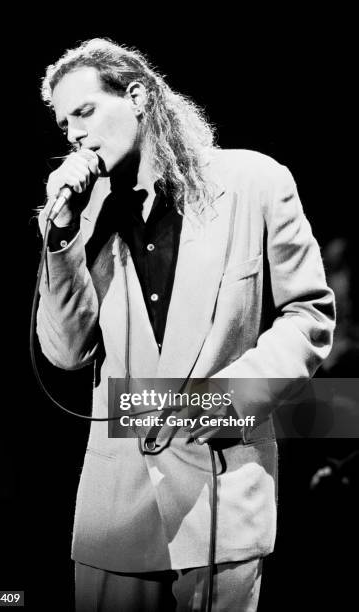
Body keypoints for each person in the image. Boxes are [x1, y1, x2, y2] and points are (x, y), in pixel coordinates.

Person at [36, 38, 336, 612]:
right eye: (63, 123)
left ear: (139, 95)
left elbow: (309, 317)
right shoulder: (88, 218)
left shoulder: (254, 182)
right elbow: (66, 352)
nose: (72, 134)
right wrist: (61, 239)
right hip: (115, 503)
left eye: (84, 111)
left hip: (219, 487)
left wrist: (231, 398)